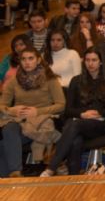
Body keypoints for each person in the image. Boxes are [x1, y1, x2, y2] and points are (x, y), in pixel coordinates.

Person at [40, 47, 105, 176]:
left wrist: (100, 113)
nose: (90, 63)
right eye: (87, 60)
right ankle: (73, 177)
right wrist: (82, 114)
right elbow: (68, 110)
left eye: (94, 60)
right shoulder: (76, 81)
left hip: (102, 124)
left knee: (73, 125)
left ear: (100, 62)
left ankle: (51, 167)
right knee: (75, 139)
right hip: (81, 123)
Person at [0, 47, 65, 177]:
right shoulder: (14, 81)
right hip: (18, 121)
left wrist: (37, 111)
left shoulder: (50, 79)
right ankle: (13, 174)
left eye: (31, 58)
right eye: (23, 59)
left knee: (4, 140)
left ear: (38, 60)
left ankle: (10, 176)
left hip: (40, 121)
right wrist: (12, 110)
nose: (27, 62)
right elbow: (2, 105)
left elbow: (61, 105)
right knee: (8, 130)